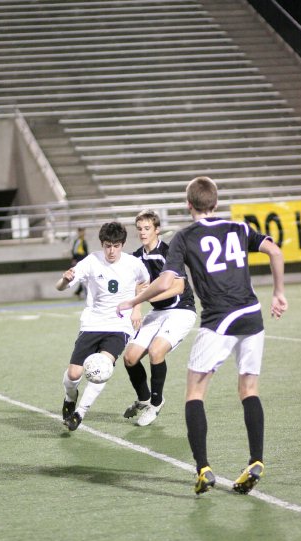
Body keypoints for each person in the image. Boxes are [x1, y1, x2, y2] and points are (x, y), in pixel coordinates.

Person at [117, 177, 288, 495]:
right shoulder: (239, 228)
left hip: (218, 321)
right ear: (216, 203)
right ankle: (256, 460)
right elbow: (275, 251)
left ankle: (203, 469)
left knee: (195, 393)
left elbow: (166, 279)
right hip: (251, 316)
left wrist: (134, 300)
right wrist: (278, 293)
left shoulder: (184, 237)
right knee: (249, 389)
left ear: (188, 205)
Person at [57, 221, 150, 431]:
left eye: (116, 246)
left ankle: (80, 413)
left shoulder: (133, 263)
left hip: (119, 326)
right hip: (92, 323)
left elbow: (144, 283)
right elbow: (61, 287)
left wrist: (136, 309)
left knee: (103, 367)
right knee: (73, 374)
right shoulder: (91, 261)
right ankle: (69, 397)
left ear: (122, 245)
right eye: (108, 245)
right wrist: (64, 280)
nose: (111, 250)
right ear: (102, 244)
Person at [122, 208, 196, 426]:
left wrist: (143, 300)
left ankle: (155, 403)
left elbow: (178, 287)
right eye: (140, 229)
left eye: (147, 228)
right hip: (157, 312)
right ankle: (144, 398)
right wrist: (135, 308)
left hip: (181, 309)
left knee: (156, 351)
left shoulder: (169, 252)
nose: (143, 233)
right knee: (130, 358)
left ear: (157, 230)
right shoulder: (136, 258)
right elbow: (134, 289)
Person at [70, 227, 89, 299]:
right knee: (82, 277)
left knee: (84, 277)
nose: (82, 233)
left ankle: (78, 292)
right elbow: (74, 251)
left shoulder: (84, 241)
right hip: (79, 260)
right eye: (81, 231)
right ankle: (79, 292)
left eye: (83, 231)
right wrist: (74, 259)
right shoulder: (77, 241)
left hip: (83, 261)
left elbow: (86, 252)